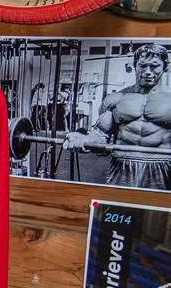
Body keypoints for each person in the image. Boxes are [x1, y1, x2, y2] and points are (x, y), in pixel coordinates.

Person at [65, 43, 171, 190]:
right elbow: (101, 136)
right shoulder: (116, 99)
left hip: (162, 166)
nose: (147, 71)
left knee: (158, 211)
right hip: (122, 165)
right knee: (118, 209)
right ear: (135, 65)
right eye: (142, 66)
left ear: (166, 67)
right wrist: (84, 140)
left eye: (154, 66)